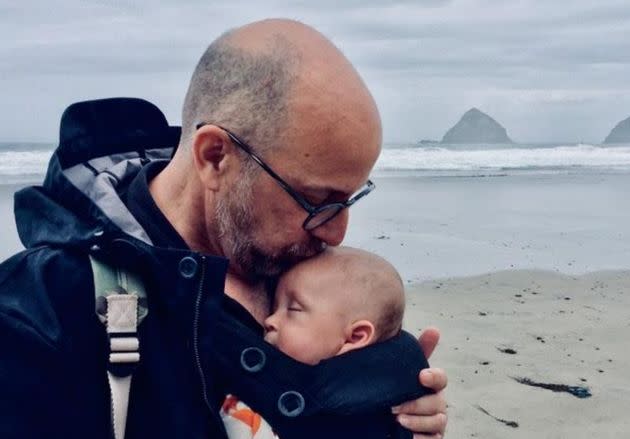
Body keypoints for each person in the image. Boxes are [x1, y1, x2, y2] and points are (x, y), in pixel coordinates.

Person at [0, 19, 447, 439]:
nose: (336, 234)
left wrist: (391, 411)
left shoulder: (287, 255)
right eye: (316, 200)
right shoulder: (37, 319)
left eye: (349, 199)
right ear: (215, 156)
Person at [221, 246, 409, 439]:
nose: (270, 321)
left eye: (293, 309)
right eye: (274, 307)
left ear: (355, 337)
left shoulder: (378, 411)